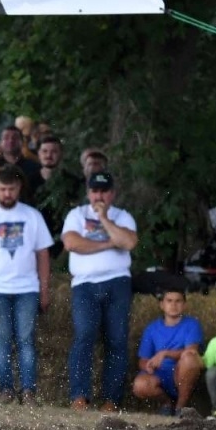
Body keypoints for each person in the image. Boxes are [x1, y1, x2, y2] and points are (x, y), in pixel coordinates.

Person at [0, 168, 52, 402]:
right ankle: (5, 390)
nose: (7, 194)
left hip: (27, 288)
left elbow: (43, 255)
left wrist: (44, 290)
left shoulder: (33, 216)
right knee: (1, 341)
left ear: (18, 190)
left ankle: (28, 391)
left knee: (26, 340)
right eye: (2, 190)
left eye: (11, 189)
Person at [62, 171, 138, 411]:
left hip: (118, 283)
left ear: (112, 193)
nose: (99, 195)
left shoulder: (123, 216)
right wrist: (108, 243)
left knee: (116, 340)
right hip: (84, 284)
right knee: (84, 336)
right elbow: (72, 243)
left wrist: (104, 218)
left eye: (104, 191)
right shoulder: (76, 215)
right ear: (88, 192)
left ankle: (111, 401)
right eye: (95, 190)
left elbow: (128, 243)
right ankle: (79, 396)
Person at [131, 285, 205, 414]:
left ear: (184, 305)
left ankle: (180, 408)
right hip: (159, 374)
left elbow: (191, 351)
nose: (173, 305)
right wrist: (148, 366)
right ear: (162, 305)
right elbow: (143, 360)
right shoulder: (152, 328)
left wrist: (165, 354)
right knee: (139, 385)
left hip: (180, 372)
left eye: (178, 301)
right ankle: (166, 403)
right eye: (169, 301)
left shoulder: (192, 324)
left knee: (189, 359)